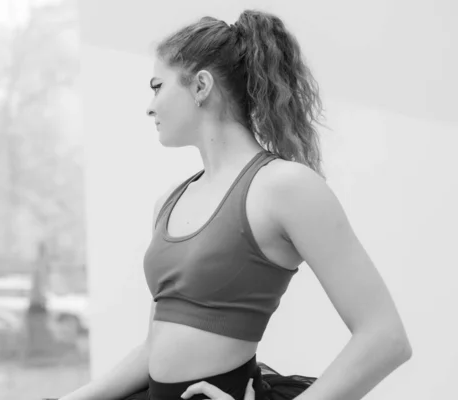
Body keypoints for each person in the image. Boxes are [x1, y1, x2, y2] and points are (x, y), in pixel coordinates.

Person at [61, 9, 412, 400]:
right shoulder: (169, 203)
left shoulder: (285, 187)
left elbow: (385, 338)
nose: (150, 106)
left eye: (157, 86)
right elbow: (152, 351)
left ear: (201, 86)